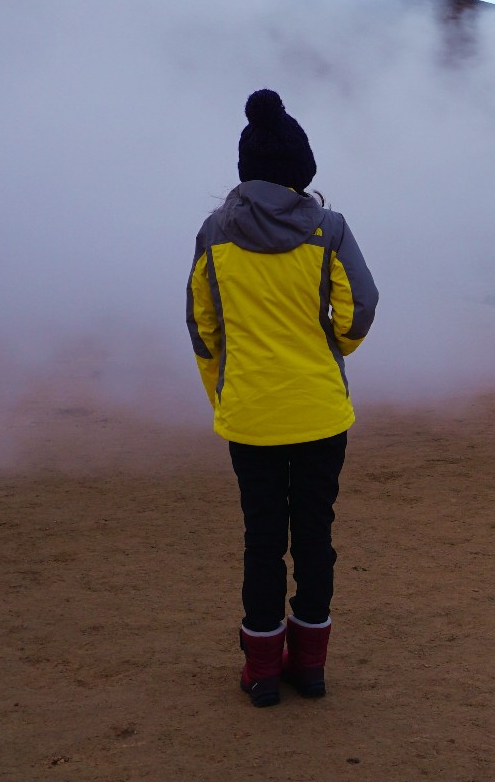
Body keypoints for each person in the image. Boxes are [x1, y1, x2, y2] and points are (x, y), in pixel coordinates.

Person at [186, 89, 378, 708]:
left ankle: (262, 670)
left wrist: (223, 390)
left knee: (263, 536)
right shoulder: (329, 229)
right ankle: (311, 667)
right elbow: (361, 309)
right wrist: (332, 350)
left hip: (251, 415)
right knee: (315, 533)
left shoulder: (215, 233)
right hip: (321, 411)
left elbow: (203, 326)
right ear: (303, 171)